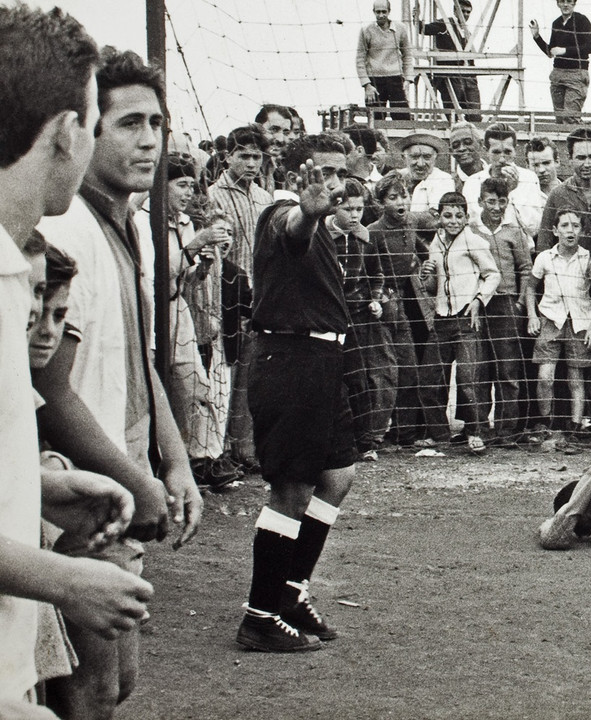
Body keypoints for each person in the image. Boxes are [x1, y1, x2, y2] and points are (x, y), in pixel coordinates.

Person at [35, 47, 202, 716]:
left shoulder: (134, 224)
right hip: (77, 495)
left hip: (122, 480)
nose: (150, 140)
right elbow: (49, 387)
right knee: (88, 690)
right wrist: (136, 481)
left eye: (157, 124)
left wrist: (179, 461)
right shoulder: (66, 225)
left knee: (116, 683)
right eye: (129, 122)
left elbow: (142, 360)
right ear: (87, 128)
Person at [0, 9, 156, 715]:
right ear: (69, 132)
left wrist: (33, 483)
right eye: (105, 122)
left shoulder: (14, 264)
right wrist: (62, 580)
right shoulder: (27, 266)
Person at [235, 133, 358, 652]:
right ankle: (259, 616)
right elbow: (293, 231)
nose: (333, 183)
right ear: (293, 179)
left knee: (337, 475)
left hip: (323, 360)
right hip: (291, 361)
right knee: (291, 488)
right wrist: (306, 214)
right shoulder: (282, 215)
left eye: (339, 172)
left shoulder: (326, 226)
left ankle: (289, 590)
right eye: (322, 173)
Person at [133, 154, 240, 487]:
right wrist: (195, 245)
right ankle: (151, 465)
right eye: (181, 185)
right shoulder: (142, 219)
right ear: (159, 186)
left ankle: (201, 460)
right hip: (151, 309)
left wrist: (203, 267)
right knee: (151, 385)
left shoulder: (184, 221)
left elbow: (186, 278)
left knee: (193, 384)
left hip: (178, 309)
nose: (188, 193)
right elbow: (156, 273)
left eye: (192, 186)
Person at [207, 125, 274, 473]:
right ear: (227, 156)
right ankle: (219, 449)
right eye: (244, 155)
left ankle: (245, 447)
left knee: (254, 371)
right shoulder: (213, 195)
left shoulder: (265, 197)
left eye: (256, 156)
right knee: (225, 371)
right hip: (225, 293)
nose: (251, 163)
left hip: (259, 294)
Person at [368, 174, 446, 449]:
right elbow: (370, 271)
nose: (400, 202)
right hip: (380, 304)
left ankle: (406, 433)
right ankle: (374, 433)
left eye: (403, 196)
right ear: (380, 203)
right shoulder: (374, 232)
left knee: (410, 368)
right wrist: (381, 299)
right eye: (393, 198)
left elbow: (426, 247)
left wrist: (425, 265)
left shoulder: (413, 222)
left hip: (405, 302)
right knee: (385, 370)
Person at [422, 191, 501, 454]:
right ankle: (439, 435)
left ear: (466, 217)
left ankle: (475, 431)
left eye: (458, 216)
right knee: (431, 377)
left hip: (466, 319)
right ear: (440, 217)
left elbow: (493, 275)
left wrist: (479, 300)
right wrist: (427, 277)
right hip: (442, 318)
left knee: (468, 378)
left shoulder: (474, 241)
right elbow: (434, 286)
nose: (453, 221)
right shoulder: (436, 243)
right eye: (447, 216)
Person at [328, 180, 390, 462]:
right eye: (348, 209)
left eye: (359, 209)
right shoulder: (321, 236)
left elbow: (377, 273)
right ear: (335, 206)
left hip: (357, 316)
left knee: (360, 378)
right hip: (327, 316)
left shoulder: (365, 239)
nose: (354, 215)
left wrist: (375, 299)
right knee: (328, 378)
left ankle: (364, 441)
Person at [471, 177, 536, 446]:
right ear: (480, 202)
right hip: (478, 304)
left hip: (506, 304)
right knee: (479, 368)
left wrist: (520, 304)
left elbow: (525, 269)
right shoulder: (471, 230)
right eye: (491, 201)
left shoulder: (514, 232)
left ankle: (507, 429)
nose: (497, 207)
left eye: (502, 202)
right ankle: (479, 428)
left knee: (508, 369)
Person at [530, 208, 591, 440]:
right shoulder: (545, 258)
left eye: (575, 226)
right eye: (565, 226)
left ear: (582, 231)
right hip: (551, 318)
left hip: (579, 321)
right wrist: (532, 315)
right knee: (545, 376)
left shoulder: (587, 258)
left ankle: (576, 427)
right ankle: (545, 423)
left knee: (576, 378)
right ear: (555, 230)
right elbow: (530, 288)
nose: (570, 231)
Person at [537, 127, 591, 253]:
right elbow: (544, 242)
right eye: (581, 158)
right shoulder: (557, 195)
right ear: (570, 159)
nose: (587, 164)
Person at [530, 0, 591, 124]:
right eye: (562, 1)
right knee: (560, 120)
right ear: (558, 4)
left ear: (574, 3)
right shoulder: (556, 23)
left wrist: (565, 50)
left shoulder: (582, 20)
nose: (566, 4)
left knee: (570, 119)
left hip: (576, 74)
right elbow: (551, 52)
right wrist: (537, 37)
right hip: (558, 74)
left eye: (569, 1)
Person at [419, 0, 482, 123]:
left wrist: (473, 75)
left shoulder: (466, 31)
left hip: (468, 77)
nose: (465, 14)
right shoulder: (445, 24)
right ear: (455, 11)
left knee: (475, 115)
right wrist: (417, 18)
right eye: (462, 11)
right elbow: (424, 30)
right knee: (451, 114)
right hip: (450, 75)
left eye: (468, 12)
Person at [357, 0, 414, 115]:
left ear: (389, 11)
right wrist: (367, 85)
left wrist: (408, 79)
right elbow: (360, 59)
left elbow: (407, 55)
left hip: (396, 79)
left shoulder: (400, 28)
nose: (381, 15)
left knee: (402, 117)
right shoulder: (366, 31)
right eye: (378, 12)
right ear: (373, 12)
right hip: (375, 80)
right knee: (376, 119)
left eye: (384, 11)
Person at [398, 132, 454, 213]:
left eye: (427, 157)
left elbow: (435, 216)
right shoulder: (397, 177)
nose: (421, 163)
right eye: (415, 157)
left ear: (435, 158)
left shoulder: (443, 179)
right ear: (404, 157)